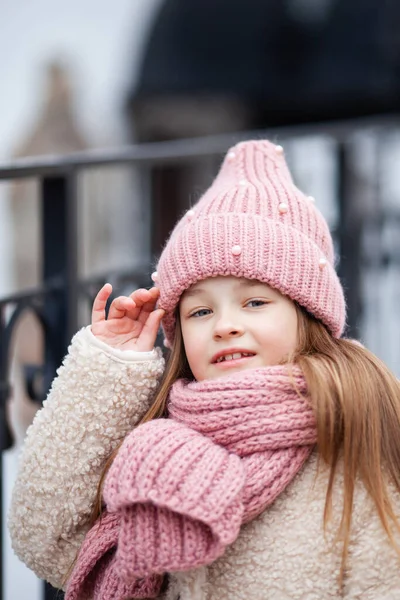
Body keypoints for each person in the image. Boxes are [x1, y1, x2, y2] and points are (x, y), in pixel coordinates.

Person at [8, 140, 400, 600]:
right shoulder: (156, 447)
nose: (226, 326)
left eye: (255, 302)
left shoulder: (357, 436)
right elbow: (47, 536)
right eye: (199, 312)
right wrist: (110, 368)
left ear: (307, 314)